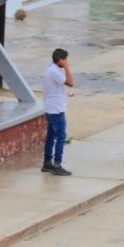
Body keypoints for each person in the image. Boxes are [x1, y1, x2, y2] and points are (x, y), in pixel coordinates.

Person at [42, 48, 74, 176]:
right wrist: (67, 67)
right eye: (65, 59)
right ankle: (57, 164)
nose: (66, 61)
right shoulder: (55, 72)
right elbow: (71, 82)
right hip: (56, 110)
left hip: (50, 108)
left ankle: (47, 163)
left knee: (51, 136)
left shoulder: (51, 69)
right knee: (61, 136)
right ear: (60, 60)